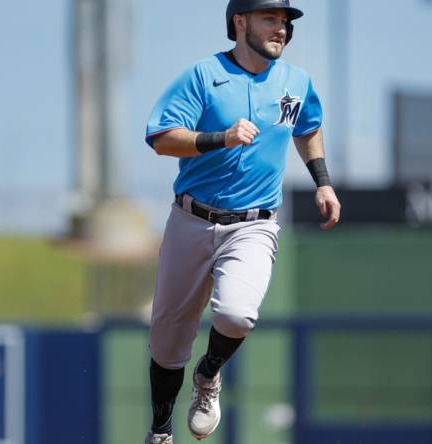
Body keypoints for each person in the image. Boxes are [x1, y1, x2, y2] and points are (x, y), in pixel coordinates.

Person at [142, 1, 341, 443]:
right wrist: (220, 138)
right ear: (239, 22)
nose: (281, 29)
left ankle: (208, 375)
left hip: (253, 223)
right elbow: (161, 137)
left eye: (285, 21)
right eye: (270, 18)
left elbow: (308, 126)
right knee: (167, 340)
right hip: (191, 220)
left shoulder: (295, 81)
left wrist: (322, 182)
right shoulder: (203, 75)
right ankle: (159, 430)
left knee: (236, 314)